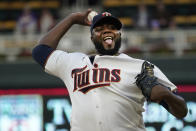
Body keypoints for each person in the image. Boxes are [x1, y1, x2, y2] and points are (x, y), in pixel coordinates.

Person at [32, 9, 188, 131]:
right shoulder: (73, 62)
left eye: (112, 28)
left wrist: (167, 94)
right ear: (92, 37)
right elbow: (40, 51)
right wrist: (72, 19)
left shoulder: (140, 66)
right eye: (100, 28)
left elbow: (181, 112)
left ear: (119, 34)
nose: (107, 31)